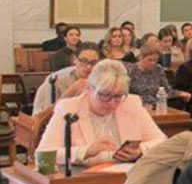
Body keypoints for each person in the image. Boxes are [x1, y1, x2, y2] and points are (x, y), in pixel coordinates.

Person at [36, 60, 166, 165]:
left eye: (118, 96)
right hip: (83, 182)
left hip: (125, 179)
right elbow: (43, 155)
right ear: (89, 89)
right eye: (104, 95)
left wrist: (140, 151)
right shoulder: (68, 108)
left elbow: (162, 141)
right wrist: (85, 152)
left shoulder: (131, 103)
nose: (111, 103)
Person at [32, 42, 99, 114]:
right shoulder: (56, 80)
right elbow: (47, 114)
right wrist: (70, 92)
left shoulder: (100, 78)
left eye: (93, 62)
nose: (88, 66)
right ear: (75, 59)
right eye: (84, 61)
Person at [128, 42, 189, 107]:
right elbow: (127, 94)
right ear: (141, 57)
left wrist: (180, 93)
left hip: (157, 103)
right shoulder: (131, 70)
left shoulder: (158, 69)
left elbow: (167, 90)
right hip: (138, 104)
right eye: (149, 60)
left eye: (155, 60)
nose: (153, 63)